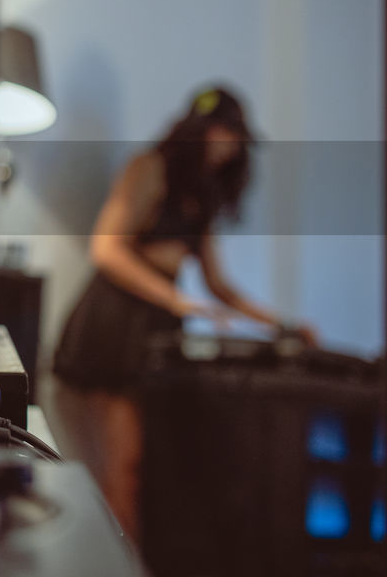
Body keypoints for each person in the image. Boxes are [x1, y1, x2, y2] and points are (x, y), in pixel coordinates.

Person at [50, 86, 314, 539]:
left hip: (156, 330)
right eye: (222, 133)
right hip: (116, 324)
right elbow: (107, 250)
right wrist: (171, 297)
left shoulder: (202, 195)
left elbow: (218, 285)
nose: (229, 147)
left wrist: (281, 326)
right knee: (122, 468)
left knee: (152, 470)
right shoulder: (149, 168)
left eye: (235, 138)